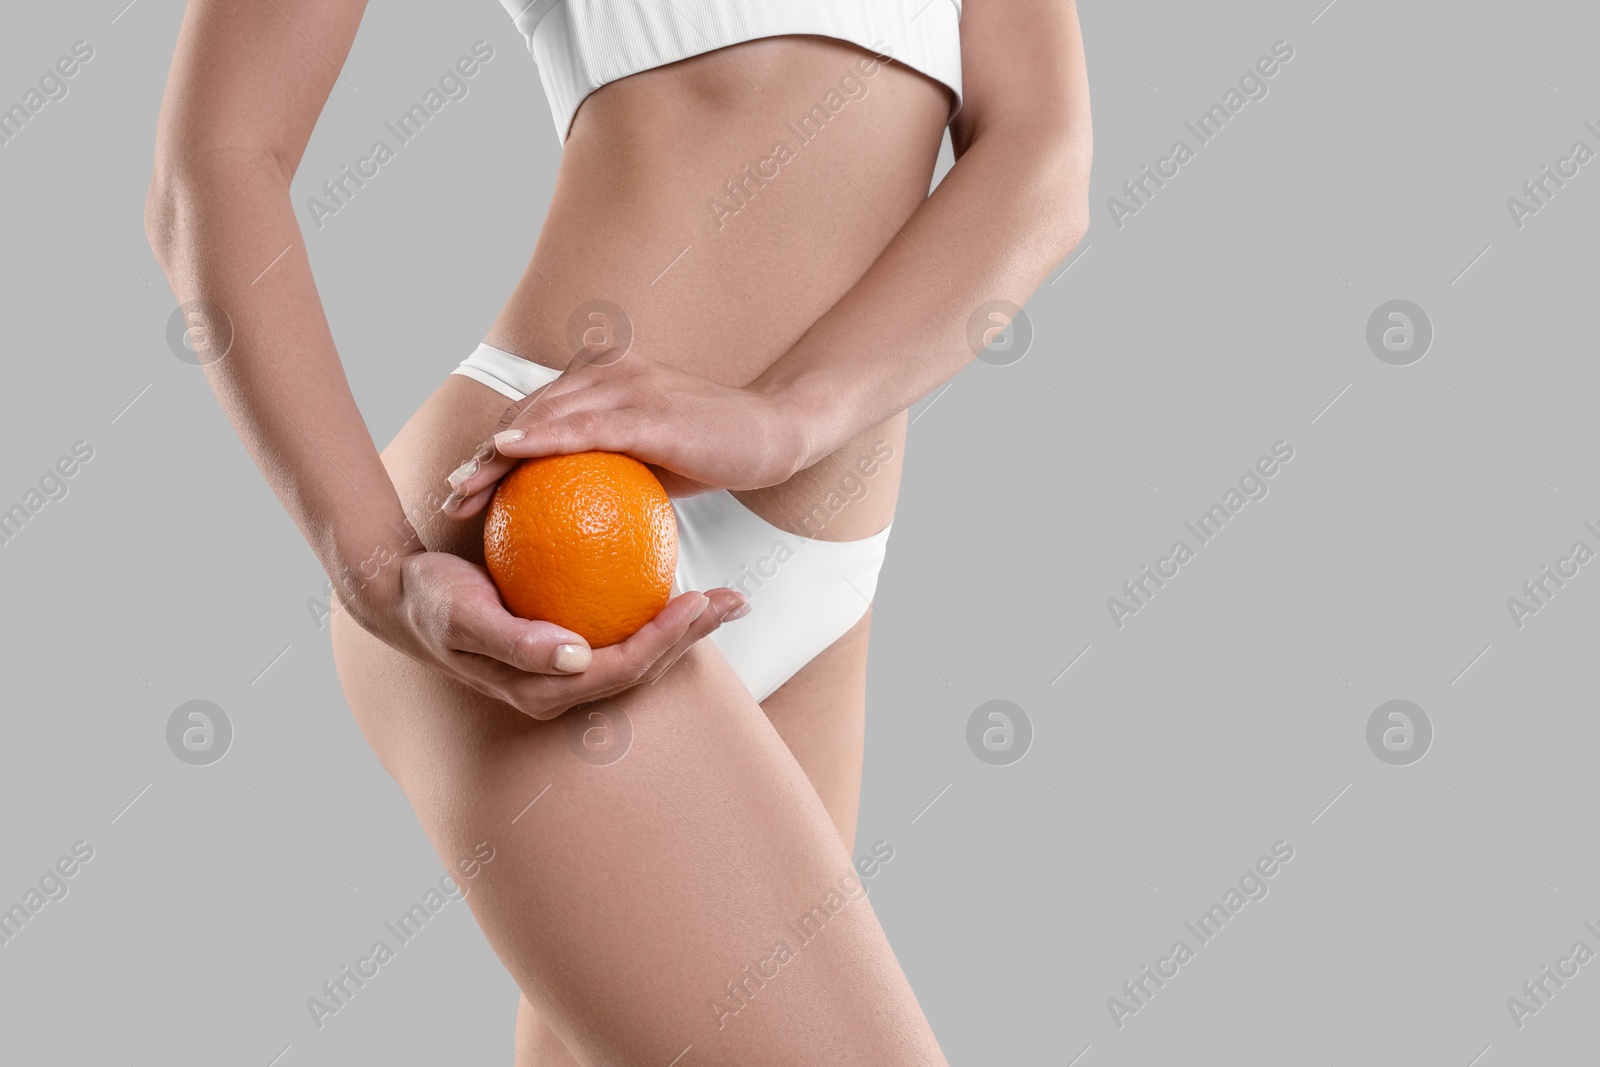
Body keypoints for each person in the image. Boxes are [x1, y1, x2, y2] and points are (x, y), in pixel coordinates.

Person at [146, 1, 1089, 1061]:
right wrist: (377, 571)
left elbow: (1041, 151)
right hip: (548, 546)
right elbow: (217, 160)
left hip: (827, 581)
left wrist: (785, 418)